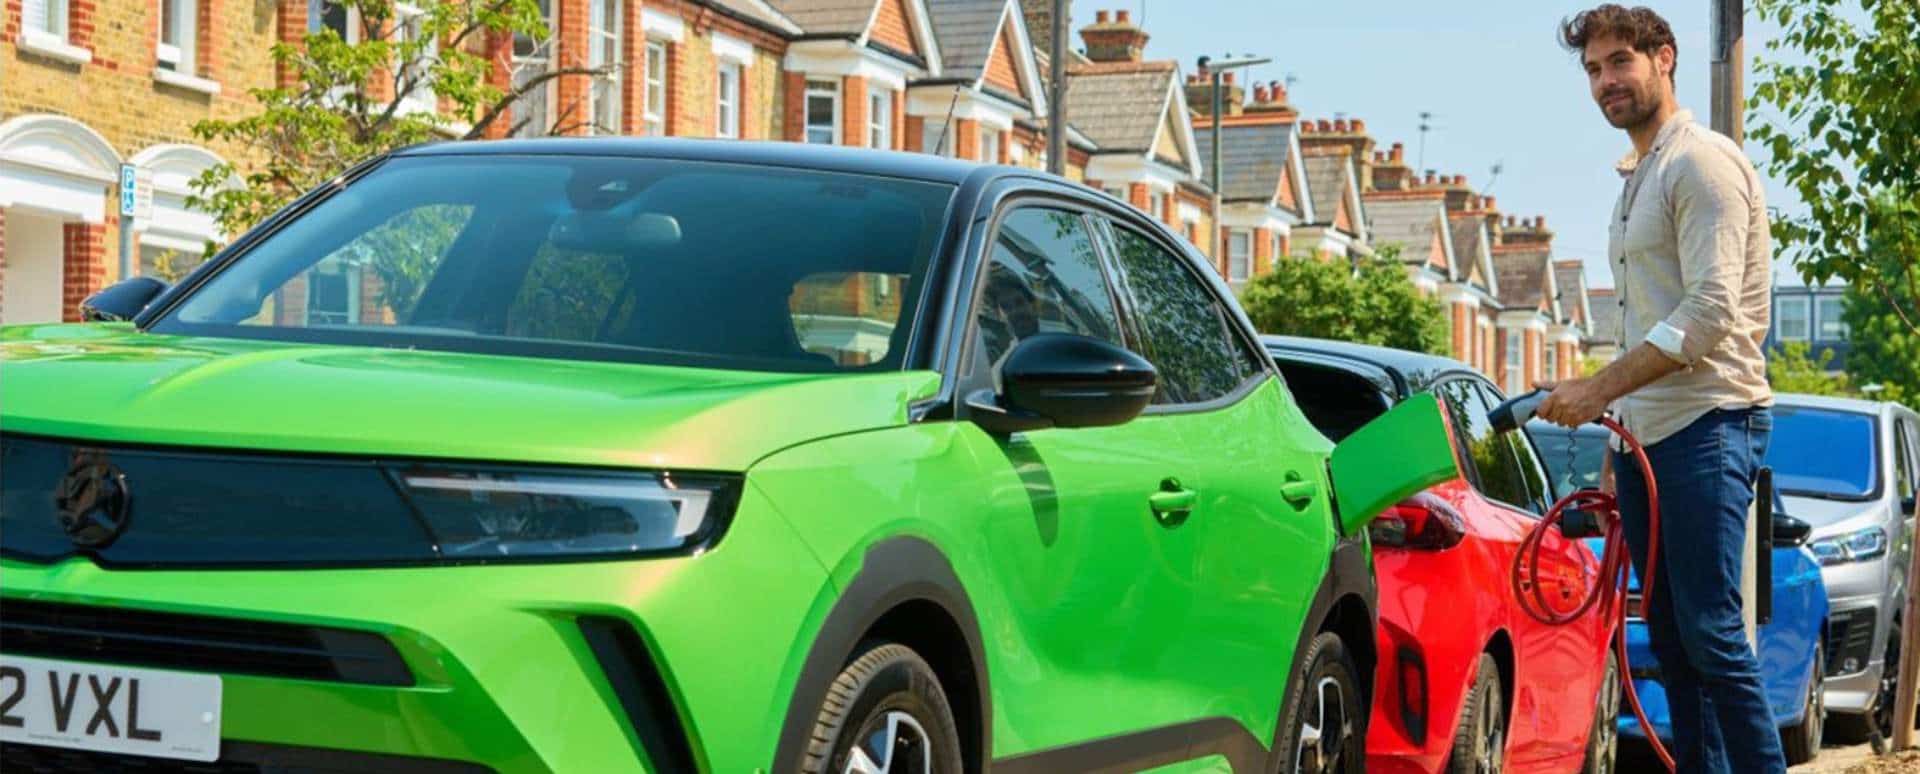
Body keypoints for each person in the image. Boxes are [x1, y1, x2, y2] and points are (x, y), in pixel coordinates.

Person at [1534, 5, 1779, 773]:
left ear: (1663, 58)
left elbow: (1709, 314)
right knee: (1671, 638)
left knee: (1711, 632)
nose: (1607, 82)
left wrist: (1597, 388)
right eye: (1594, 70)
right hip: (1650, 438)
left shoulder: (1700, 164)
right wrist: (1617, 430)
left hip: (1711, 422)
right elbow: (1640, 319)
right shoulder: (1642, 175)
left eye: (1620, 63)